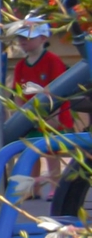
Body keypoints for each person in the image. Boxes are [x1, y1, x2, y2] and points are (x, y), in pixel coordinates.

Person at [8, 15, 75, 202]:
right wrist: (21, 114)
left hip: (53, 115)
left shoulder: (52, 61)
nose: (23, 41)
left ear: (43, 38)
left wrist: (51, 116)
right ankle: (33, 188)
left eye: (28, 37)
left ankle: (54, 187)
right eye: (21, 37)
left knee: (51, 153)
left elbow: (59, 90)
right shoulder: (21, 65)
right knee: (32, 152)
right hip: (31, 117)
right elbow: (19, 94)